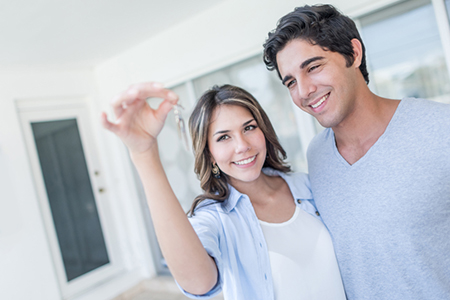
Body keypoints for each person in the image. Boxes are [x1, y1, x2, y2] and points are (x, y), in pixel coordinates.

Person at [263, 4, 450, 300]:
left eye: (313, 67)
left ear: (354, 53)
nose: (304, 91)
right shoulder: (318, 156)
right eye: (291, 82)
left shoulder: (441, 129)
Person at [101, 82, 346, 300]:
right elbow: (198, 283)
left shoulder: (306, 185)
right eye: (223, 137)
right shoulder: (215, 218)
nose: (242, 146)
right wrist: (144, 153)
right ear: (210, 155)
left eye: (249, 128)